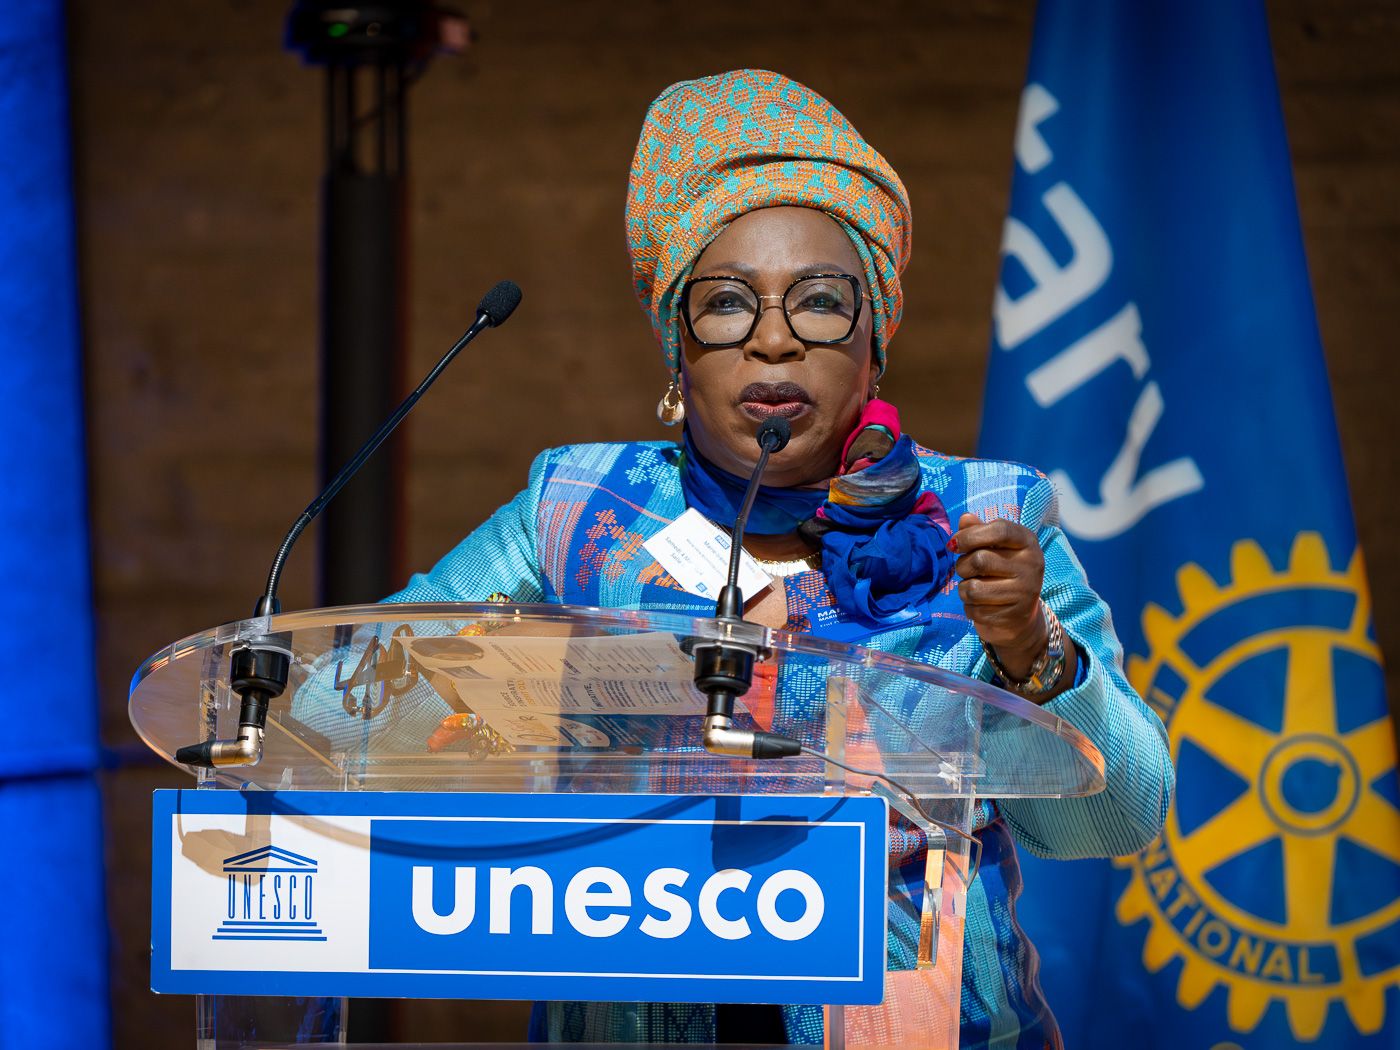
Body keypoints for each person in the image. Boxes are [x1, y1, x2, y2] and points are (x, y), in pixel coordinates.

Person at [386, 70, 1173, 1049]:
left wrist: (1031, 651)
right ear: (677, 353)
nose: (771, 340)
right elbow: (367, 696)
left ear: (874, 340)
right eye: (725, 304)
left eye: (819, 303)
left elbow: (1117, 818)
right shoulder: (578, 514)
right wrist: (571, 705)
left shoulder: (987, 519)